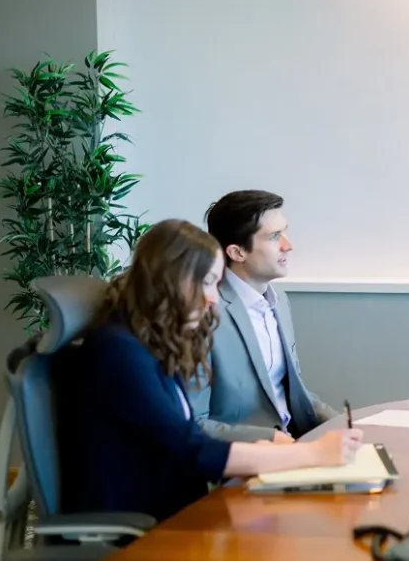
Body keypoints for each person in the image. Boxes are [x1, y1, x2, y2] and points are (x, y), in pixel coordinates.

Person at [57, 219, 362, 523]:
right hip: (140, 531)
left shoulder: (149, 344)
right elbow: (191, 449)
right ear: (168, 278)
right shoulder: (119, 351)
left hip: (178, 512)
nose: (213, 298)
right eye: (206, 282)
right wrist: (310, 455)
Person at [188, 189, 337, 443]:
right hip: (243, 463)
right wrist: (272, 440)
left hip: (294, 445)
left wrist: (342, 423)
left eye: (285, 232)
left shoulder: (279, 299)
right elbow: (193, 424)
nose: (288, 246)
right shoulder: (203, 312)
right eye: (275, 236)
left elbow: (290, 392)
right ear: (237, 253)